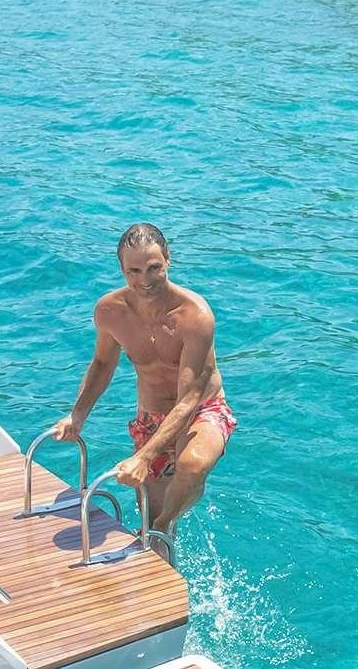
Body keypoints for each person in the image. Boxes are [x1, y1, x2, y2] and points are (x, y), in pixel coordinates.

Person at [48, 223, 234, 542]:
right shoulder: (110, 311)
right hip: (151, 418)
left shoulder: (194, 315)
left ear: (168, 260)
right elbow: (103, 364)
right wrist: (77, 415)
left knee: (191, 466)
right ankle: (160, 541)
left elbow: (188, 399)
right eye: (133, 271)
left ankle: (163, 526)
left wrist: (145, 457)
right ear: (121, 268)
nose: (144, 281)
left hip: (201, 411)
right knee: (150, 515)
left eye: (153, 268)